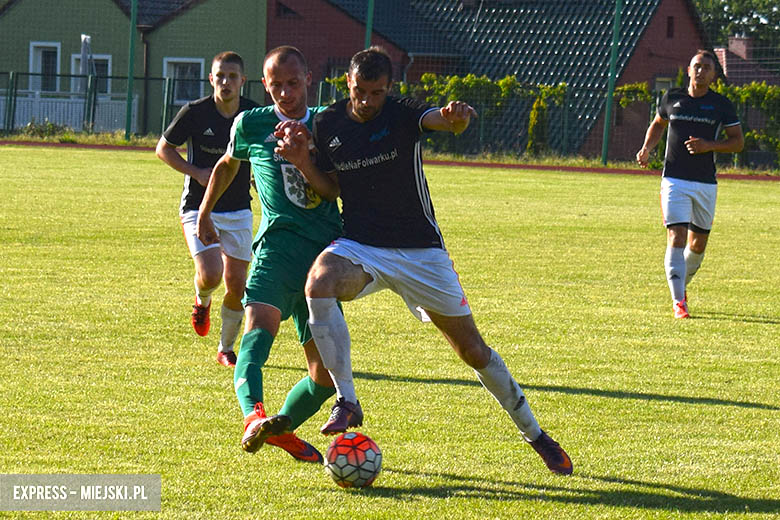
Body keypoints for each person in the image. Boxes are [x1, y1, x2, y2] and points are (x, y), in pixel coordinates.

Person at [276, 46, 573, 475]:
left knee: (472, 351)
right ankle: (348, 400)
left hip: (421, 254)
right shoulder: (328, 123)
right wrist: (303, 162)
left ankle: (536, 435)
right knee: (318, 281)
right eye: (360, 91)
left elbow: (437, 119)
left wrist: (454, 117)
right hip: (362, 246)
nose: (367, 101)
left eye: (376, 93)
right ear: (348, 84)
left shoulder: (400, 113)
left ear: (389, 90)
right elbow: (331, 190)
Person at [196, 46, 342, 463]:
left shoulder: (329, 126)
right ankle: (253, 417)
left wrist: (304, 157)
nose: (285, 93)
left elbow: (335, 189)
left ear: (309, 79)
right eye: (275, 85)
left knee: (326, 376)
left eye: (292, 83)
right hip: (277, 250)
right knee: (258, 333)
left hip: (324, 261)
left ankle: (281, 428)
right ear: (264, 85)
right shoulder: (251, 123)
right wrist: (205, 210)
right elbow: (227, 163)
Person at [156, 51, 259, 366]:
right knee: (212, 273)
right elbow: (163, 149)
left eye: (232, 76)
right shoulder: (195, 112)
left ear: (242, 80)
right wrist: (196, 172)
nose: (225, 82)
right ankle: (202, 301)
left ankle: (226, 348)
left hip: (240, 209)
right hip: (198, 207)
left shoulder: (254, 113)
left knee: (238, 285)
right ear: (211, 79)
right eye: (220, 76)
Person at [637, 50, 743, 319]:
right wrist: (647, 147)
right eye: (697, 66)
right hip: (674, 179)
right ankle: (678, 302)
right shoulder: (672, 98)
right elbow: (658, 124)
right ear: (688, 70)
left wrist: (710, 145)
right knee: (677, 236)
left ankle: (680, 286)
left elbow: (738, 142)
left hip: (705, 183)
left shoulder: (721, 105)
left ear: (714, 75)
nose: (700, 71)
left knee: (697, 246)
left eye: (706, 67)